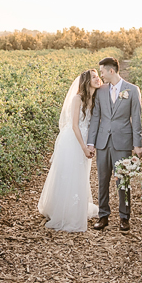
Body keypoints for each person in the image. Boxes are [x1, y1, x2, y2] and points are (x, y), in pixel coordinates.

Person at [37, 69, 101, 231]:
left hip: (87, 140)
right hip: (74, 140)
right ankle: (65, 212)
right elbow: (74, 125)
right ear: (87, 81)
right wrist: (83, 147)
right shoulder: (77, 99)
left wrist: (91, 145)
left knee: (81, 175)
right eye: (94, 77)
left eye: (98, 76)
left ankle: (75, 207)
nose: (97, 79)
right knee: (70, 174)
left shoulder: (95, 98)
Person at [86, 56, 142, 232]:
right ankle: (103, 216)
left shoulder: (132, 90)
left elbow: (137, 118)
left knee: (122, 181)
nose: (100, 75)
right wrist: (91, 142)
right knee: (102, 180)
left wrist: (137, 144)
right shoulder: (101, 91)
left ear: (111, 71)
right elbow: (96, 118)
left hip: (123, 141)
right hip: (103, 141)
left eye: (102, 71)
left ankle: (124, 217)